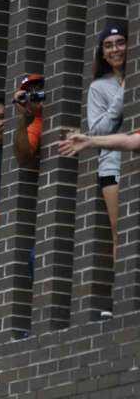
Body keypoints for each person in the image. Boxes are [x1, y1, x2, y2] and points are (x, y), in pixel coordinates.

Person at [85, 24, 127, 259]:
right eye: (108, 46)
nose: (115, 49)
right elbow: (98, 132)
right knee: (119, 231)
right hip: (113, 166)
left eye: (120, 43)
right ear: (102, 53)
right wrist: (122, 94)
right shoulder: (98, 87)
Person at [13, 74, 44, 168]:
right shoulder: (35, 126)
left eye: (39, 88)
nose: (34, 94)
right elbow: (23, 158)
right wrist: (22, 114)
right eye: (28, 92)